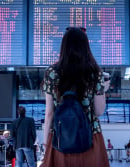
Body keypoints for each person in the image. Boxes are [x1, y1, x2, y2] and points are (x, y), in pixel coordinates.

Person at [40, 27, 110, 167]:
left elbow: (49, 113)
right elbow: (98, 111)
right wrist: (103, 90)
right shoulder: (94, 72)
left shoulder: (52, 72)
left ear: (64, 46)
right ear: (86, 46)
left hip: (60, 138)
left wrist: (46, 143)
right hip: (90, 136)